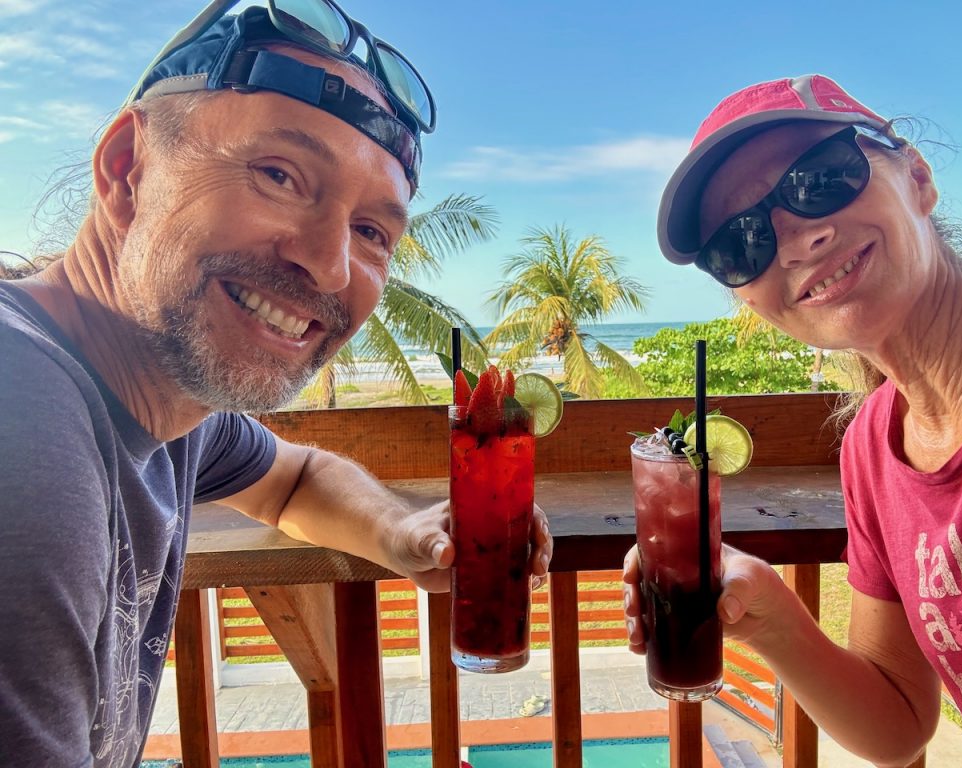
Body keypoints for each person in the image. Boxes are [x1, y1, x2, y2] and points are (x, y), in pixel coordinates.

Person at [0, 2, 552, 765]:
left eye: (371, 232)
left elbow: (293, 481)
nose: (329, 265)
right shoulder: (24, 420)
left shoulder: (167, 408)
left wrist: (402, 534)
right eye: (280, 176)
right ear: (127, 168)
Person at [623, 74, 962, 767]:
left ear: (917, 177)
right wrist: (770, 617)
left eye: (820, 179)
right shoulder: (872, 448)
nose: (795, 242)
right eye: (740, 244)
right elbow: (898, 724)